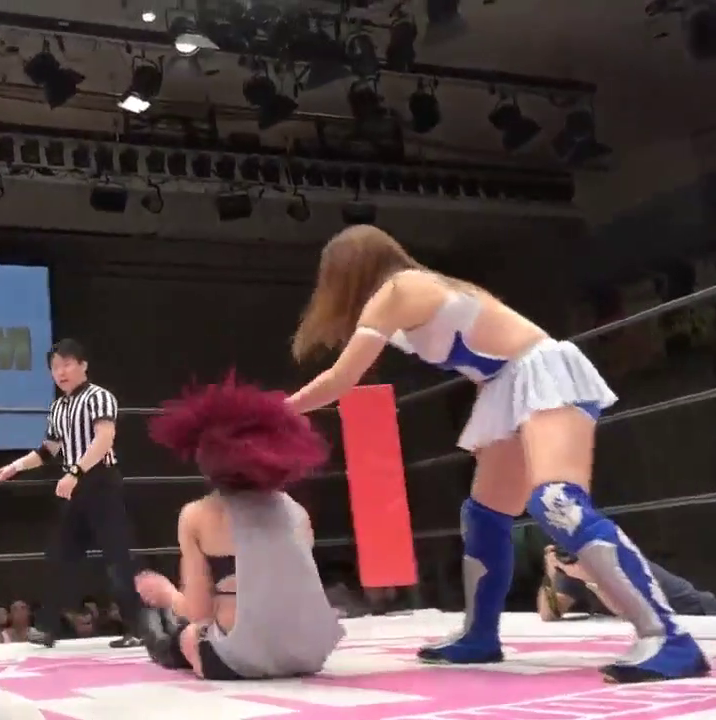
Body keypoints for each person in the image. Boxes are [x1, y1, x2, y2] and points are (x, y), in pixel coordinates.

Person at [287, 225, 709, 683]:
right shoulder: (419, 289)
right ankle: (479, 635)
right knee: (484, 515)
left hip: (541, 373)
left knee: (557, 501)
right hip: (507, 385)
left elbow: (341, 379)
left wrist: (279, 409)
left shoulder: (398, 290)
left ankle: (668, 637)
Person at [133, 375, 341, 679]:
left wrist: (166, 594)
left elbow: (198, 611)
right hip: (309, 655)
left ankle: (164, 641)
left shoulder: (197, 515)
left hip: (239, 662)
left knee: (188, 635)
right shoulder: (296, 511)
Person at [0, 338, 143, 648]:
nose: (61, 372)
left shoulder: (99, 397)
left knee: (117, 557)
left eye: (67, 364)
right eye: (55, 367)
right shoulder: (59, 407)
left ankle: (138, 628)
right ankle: (48, 628)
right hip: (74, 486)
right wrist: (13, 468)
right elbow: (48, 451)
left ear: (83, 365)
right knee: (59, 556)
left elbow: (104, 439)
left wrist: (75, 472)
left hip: (100, 482)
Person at [539, 545, 716, 620]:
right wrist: (550, 575)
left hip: (696, 612)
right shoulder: (572, 566)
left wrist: (591, 578)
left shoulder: (615, 558)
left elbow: (627, 610)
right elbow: (550, 613)